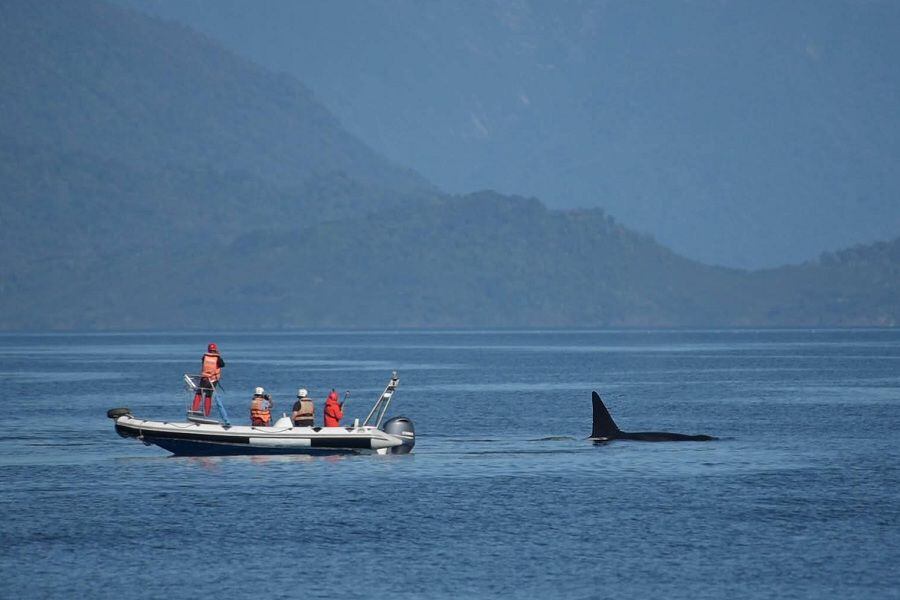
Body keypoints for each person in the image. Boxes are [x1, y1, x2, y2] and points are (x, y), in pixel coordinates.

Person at [191, 343, 225, 416]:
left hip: (204, 378)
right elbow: (222, 364)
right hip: (213, 379)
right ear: (215, 350)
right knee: (208, 396)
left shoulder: (205, 357)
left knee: (199, 394)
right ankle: (206, 413)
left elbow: (203, 363)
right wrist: (218, 355)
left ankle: (194, 410)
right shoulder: (217, 358)